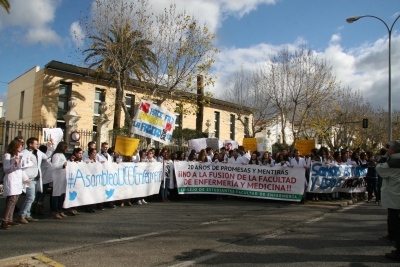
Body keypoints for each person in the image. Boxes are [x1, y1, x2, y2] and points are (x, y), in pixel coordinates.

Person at [375, 140, 400, 262]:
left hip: (396, 198)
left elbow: (379, 168)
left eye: (389, 149)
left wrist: (384, 157)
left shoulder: (393, 163)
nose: (387, 150)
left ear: (393, 151)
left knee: (397, 225)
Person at [19, 137, 49, 224]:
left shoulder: (38, 152)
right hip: (29, 179)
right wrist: (25, 178)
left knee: (32, 197)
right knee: (30, 198)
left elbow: (46, 156)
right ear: (30, 144)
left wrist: (50, 147)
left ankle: (28, 215)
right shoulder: (24, 153)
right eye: (35, 144)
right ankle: (22, 215)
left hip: (36, 178)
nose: (37, 145)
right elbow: (21, 167)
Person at [1, 140, 29, 230]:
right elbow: (6, 169)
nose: (21, 147)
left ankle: (10, 219)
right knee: (10, 201)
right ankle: (4, 221)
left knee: (14, 201)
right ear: (15, 147)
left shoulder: (19, 155)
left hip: (17, 180)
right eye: (19, 146)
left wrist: (25, 178)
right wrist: (15, 163)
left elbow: (21, 169)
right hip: (11, 180)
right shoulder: (7, 156)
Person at [51, 142, 69, 219]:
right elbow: (54, 166)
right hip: (57, 177)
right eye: (66, 148)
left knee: (62, 194)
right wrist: (62, 165)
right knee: (56, 194)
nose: (67, 149)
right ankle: (55, 211)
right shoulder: (56, 155)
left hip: (62, 177)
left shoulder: (62, 155)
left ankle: (60, 209)